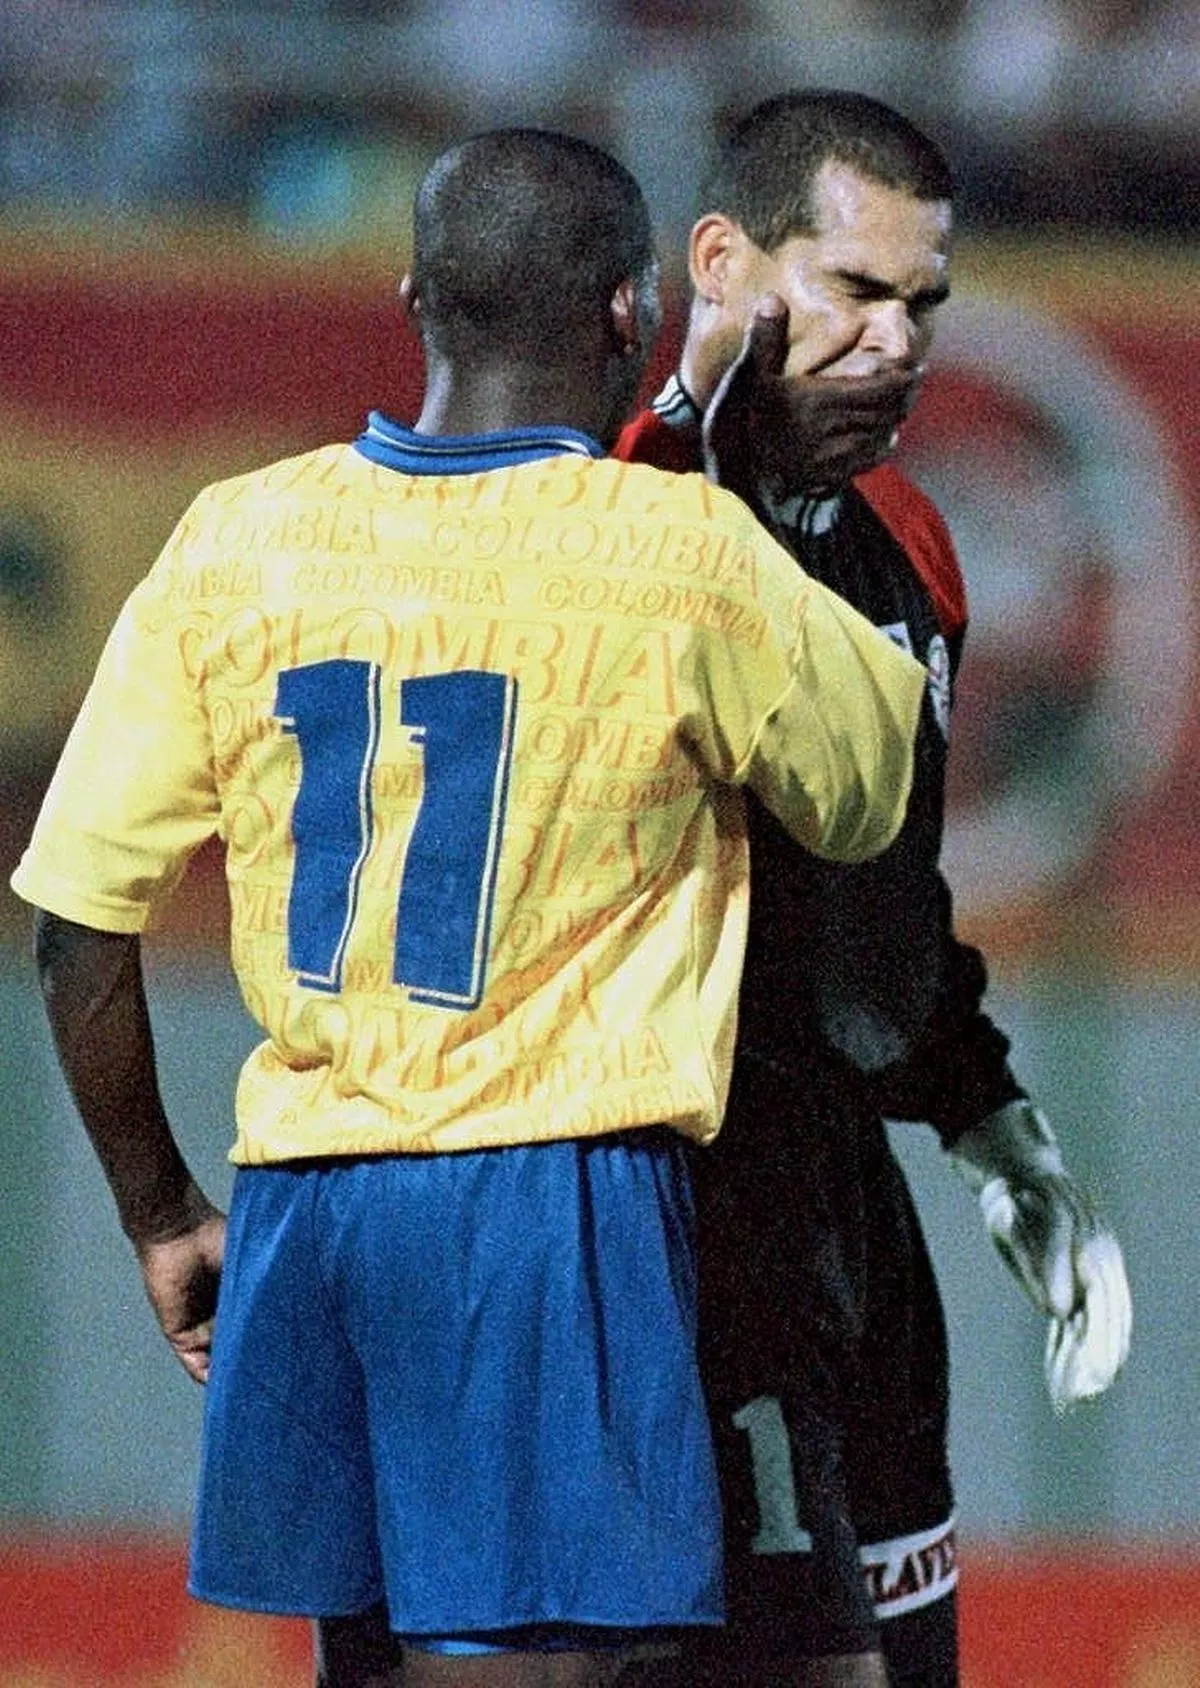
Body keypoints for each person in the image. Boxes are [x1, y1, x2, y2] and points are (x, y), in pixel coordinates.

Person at [10, 128, 928, 1688]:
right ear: (632, 313)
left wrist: (161, 1209)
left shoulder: (239, 536)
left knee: (370, 1664)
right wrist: (743, 460)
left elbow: (77, 925)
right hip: (541, 1192)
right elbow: (867, 786)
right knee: (541, 1667)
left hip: (306, 1197)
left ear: (414, 299)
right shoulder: (678, 552)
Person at [614, 89, 1133, 1688]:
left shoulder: (916, 546)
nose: (898, 344)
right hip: (667, 1207)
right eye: (852, 291)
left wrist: (994, 1126)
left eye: (924, 305)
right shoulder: (618, 519)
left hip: (850, 1210)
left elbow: (884, 916)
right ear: (726, 263)